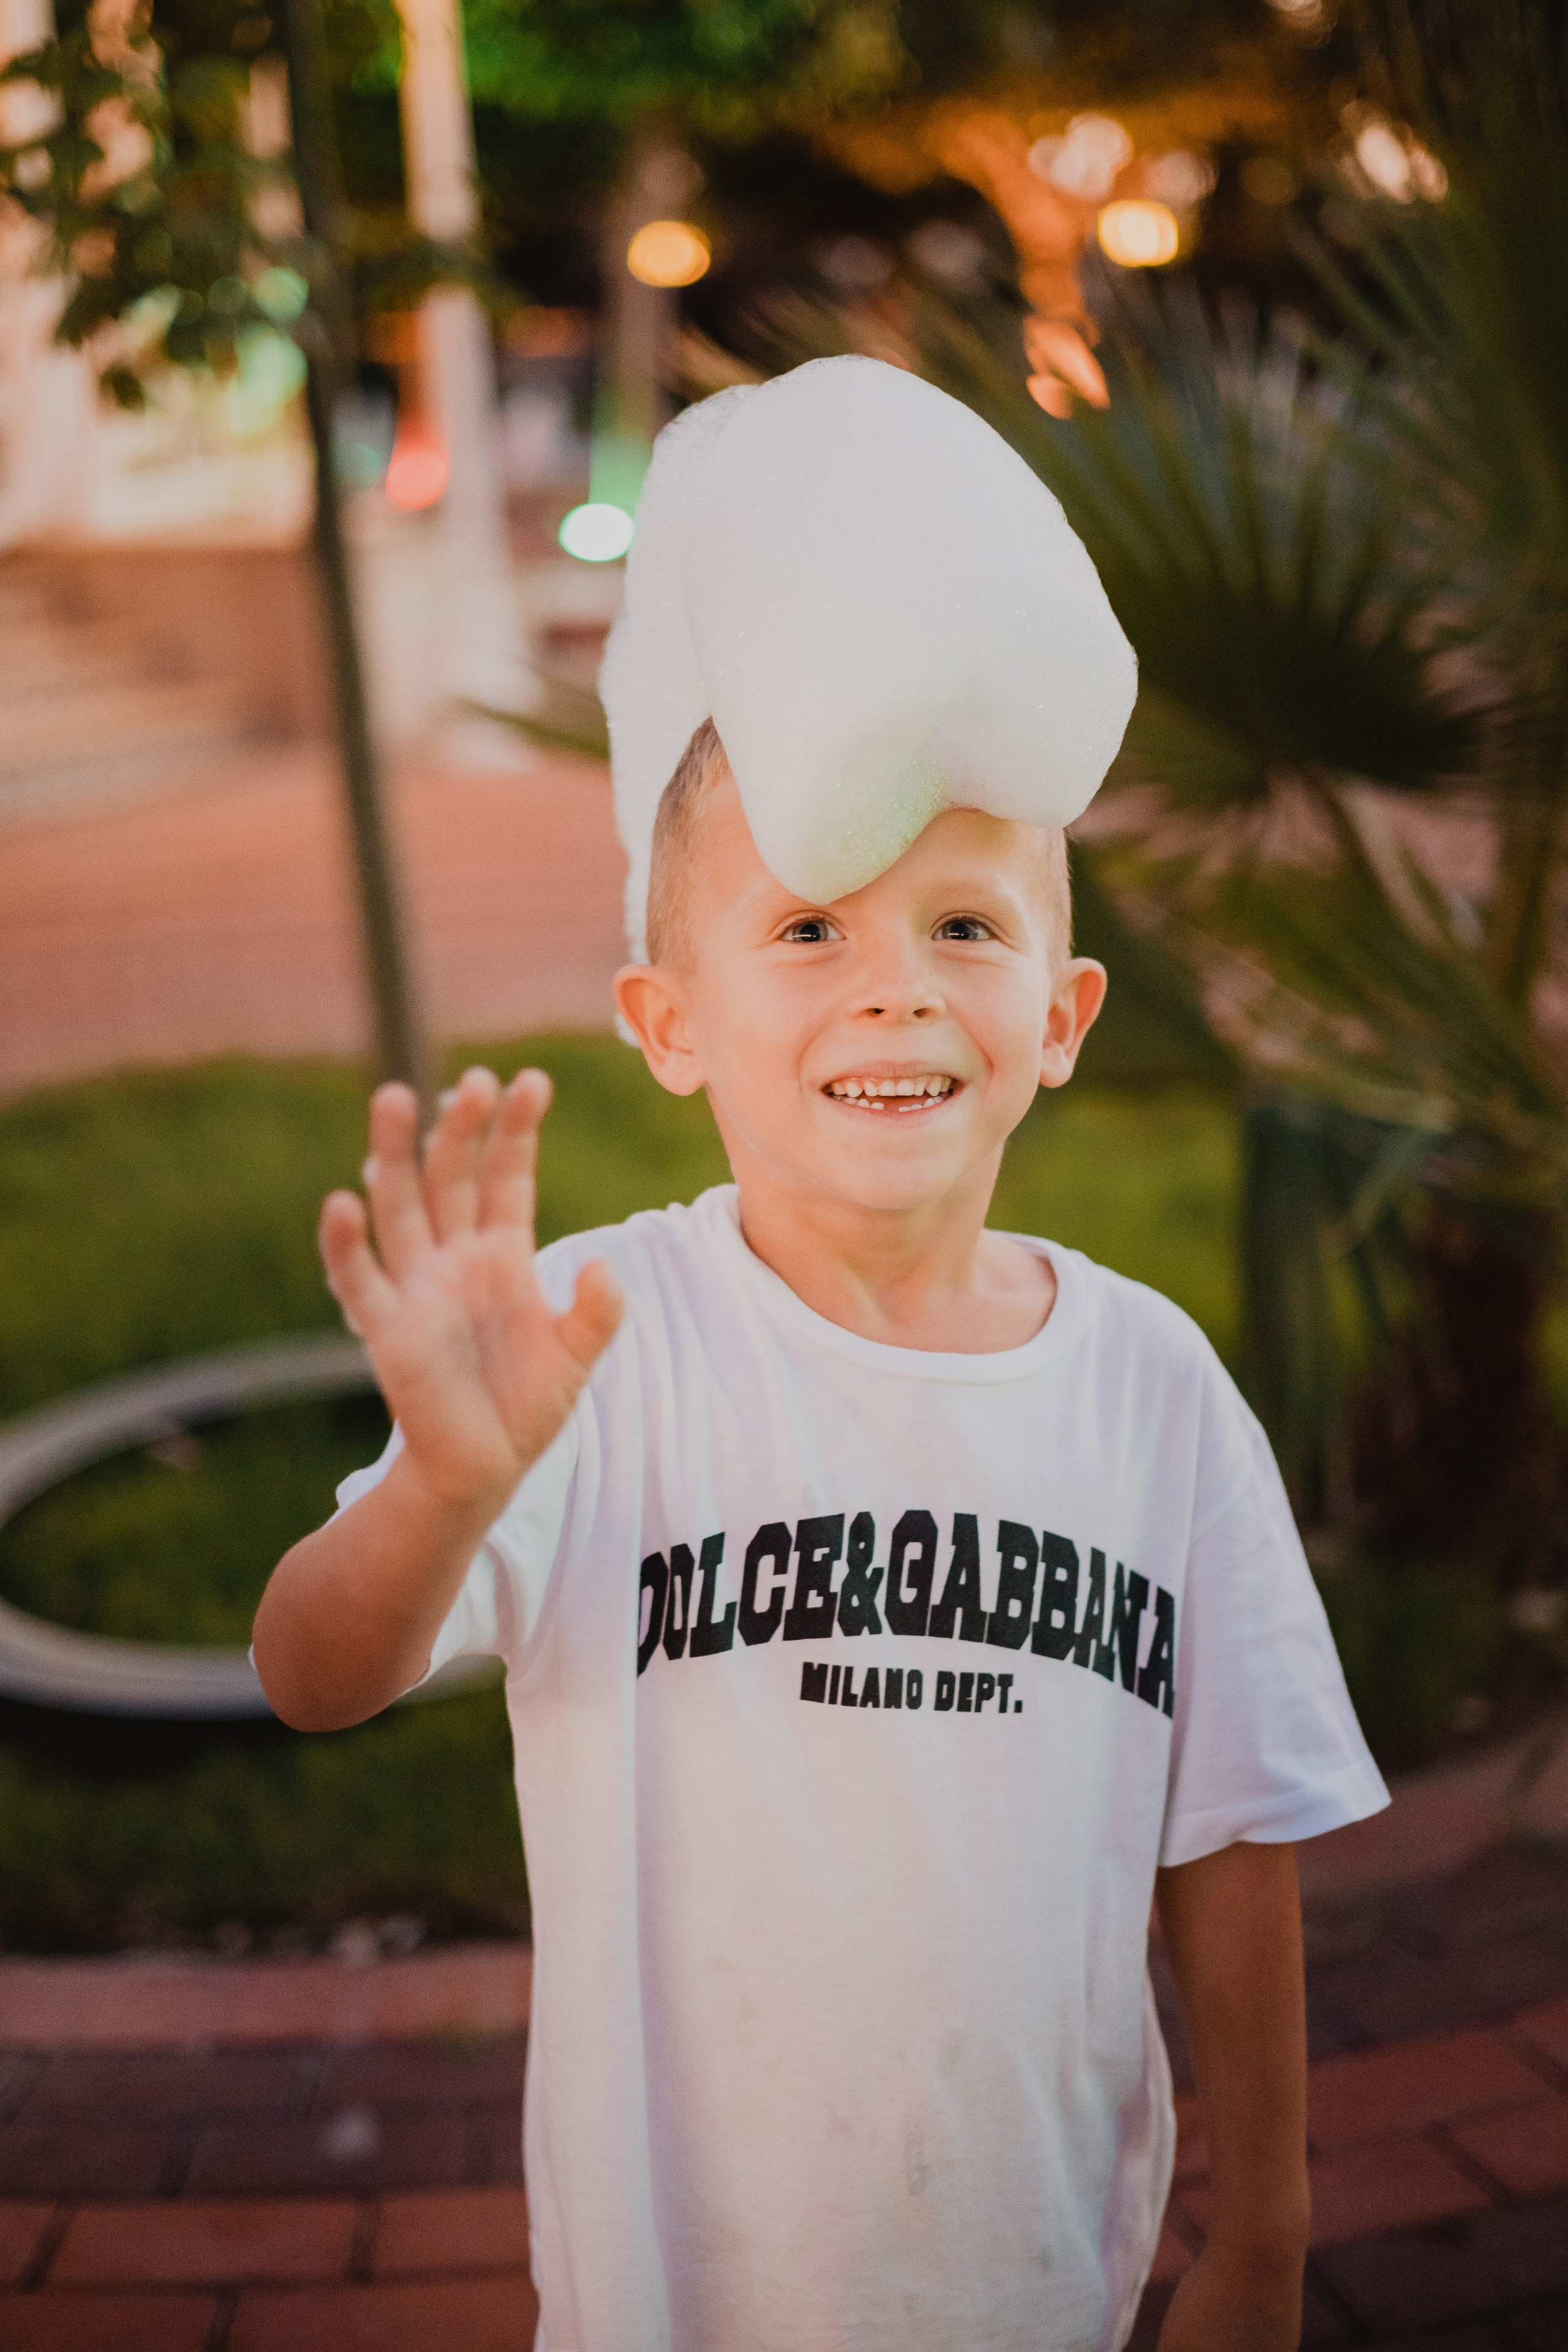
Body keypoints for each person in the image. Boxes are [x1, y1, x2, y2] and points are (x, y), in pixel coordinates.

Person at [253, 358, 1387, 2352]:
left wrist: (1267, 2231)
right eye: (807, 933)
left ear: (1062, 1012)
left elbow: (1233, 1831)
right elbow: (310, 1672)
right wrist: (448, 1479)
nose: (898, 986)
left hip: (1049, 2298)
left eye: (967, 927)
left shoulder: (1152, 1394)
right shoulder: (603, 1345)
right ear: (666, 1016)